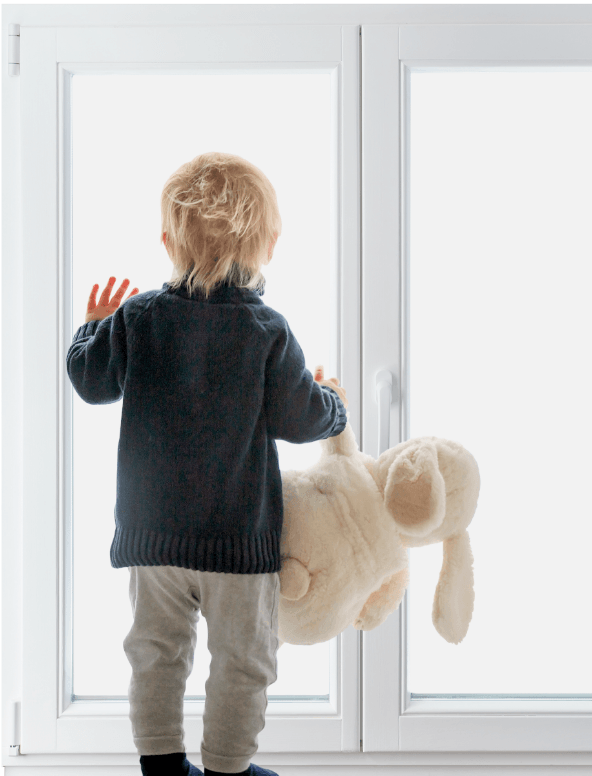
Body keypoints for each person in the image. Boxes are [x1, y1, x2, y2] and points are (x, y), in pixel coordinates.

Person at [66, 152, 349, 776]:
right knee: (243, 659)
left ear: (167, 240)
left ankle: (162, 765)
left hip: (153, 539)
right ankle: (227, 768)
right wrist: (334, 405)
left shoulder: (137, 317)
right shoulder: (266, 331)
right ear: (270, 244)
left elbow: (91, 381)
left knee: (155, 653)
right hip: (236, 540)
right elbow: (302, 419)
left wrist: (92, 327)